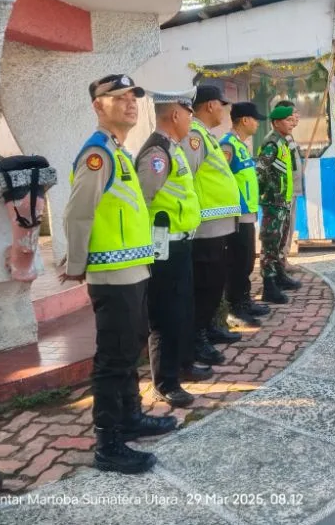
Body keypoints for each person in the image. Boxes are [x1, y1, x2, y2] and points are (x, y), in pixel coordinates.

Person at [61, 74, 176, 474]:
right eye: (119, 97)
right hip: (112, 275)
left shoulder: (118, 151)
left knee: (129, 350)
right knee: (114, 358)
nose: (130, 103)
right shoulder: (98, 154)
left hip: (132, 271)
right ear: (98, 105)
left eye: (133, 97)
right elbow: (78, 212)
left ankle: (130, 416)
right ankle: (108, 442)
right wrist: (77, 264)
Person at [135, 87, 213, 408]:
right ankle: (165, 383)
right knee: (165, 314)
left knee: (183, 308)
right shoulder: (157, 153)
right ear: (176, 114)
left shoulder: (174, 148)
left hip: (180, 243)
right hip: (162, 246)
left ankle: (183, 364)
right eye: (190, 111)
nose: (193, 117)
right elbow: (142, 201)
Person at [182, 85, 243, 363]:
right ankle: (196, 338)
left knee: (214, 282)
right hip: (204, 226)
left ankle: (207, 328)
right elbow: (187, 180)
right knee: (206, 284)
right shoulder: (194, 136)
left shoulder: (206, 136)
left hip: (217, 226)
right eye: (222, 104)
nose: (224, 109)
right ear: (209, 105)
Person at [220, 102, 272, 325]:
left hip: (248, 212)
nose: (257, 123)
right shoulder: (227, 146)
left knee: (248, 260)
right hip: (237, 214)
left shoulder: (241, 145)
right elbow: (221, 179)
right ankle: (235, 307)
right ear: (244, 120)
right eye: (255, 118)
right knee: (238, 262)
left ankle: (245, 300)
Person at [257, 104, 301, 303]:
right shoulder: (271, 144)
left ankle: (280, 276)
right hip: (273, 203)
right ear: (276, 123)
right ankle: (269, 286)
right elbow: (260, 172)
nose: (291, 123)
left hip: (283, 201)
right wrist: (269, 196)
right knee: (270, 245)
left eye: (292, 120)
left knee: (280, 243)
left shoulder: (283, 142)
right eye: (287, 120)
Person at [275, 100, 304, 273]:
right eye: (292, 113)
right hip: (283, 192)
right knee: (281, 229)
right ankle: (279, 263)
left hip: (293, 190)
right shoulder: (276, 140)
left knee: (289, 226)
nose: (296, 117)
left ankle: (283, 259)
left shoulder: (288, 136)